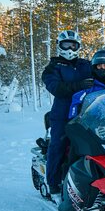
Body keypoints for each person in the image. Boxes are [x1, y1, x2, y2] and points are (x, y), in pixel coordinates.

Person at [41, 30, 93, 196]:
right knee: (58, 145)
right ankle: (53, 182)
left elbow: (100, 75)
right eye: (66, 44)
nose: (70, 48)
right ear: (59, 45)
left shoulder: (85, 64)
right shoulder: (53, 67)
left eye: (73, 45)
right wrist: (78, 85)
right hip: (62, 114)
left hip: (87, 113)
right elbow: (56, 87)